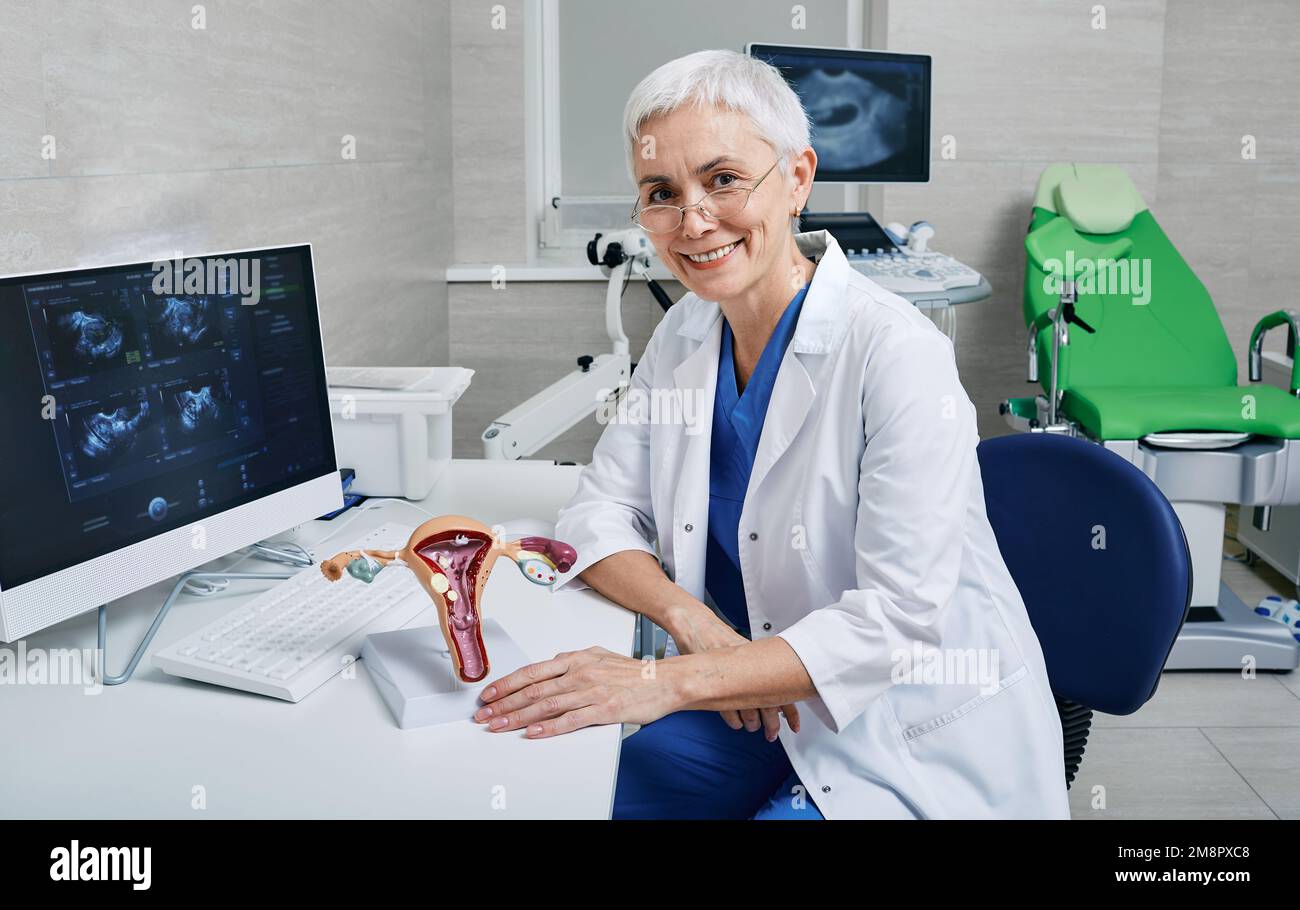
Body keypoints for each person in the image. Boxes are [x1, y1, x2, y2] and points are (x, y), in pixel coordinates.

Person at [472, 49, 1070, 821]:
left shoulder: (898, 354)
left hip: (903, 726)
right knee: (576, 795)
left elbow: (890, 629)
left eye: (723, 180)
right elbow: (597, 515)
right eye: (661, 194)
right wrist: (697, 627)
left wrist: (662, 682)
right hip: (750, 702)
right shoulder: (686, 334)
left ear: (797, 178)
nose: (692, 222)